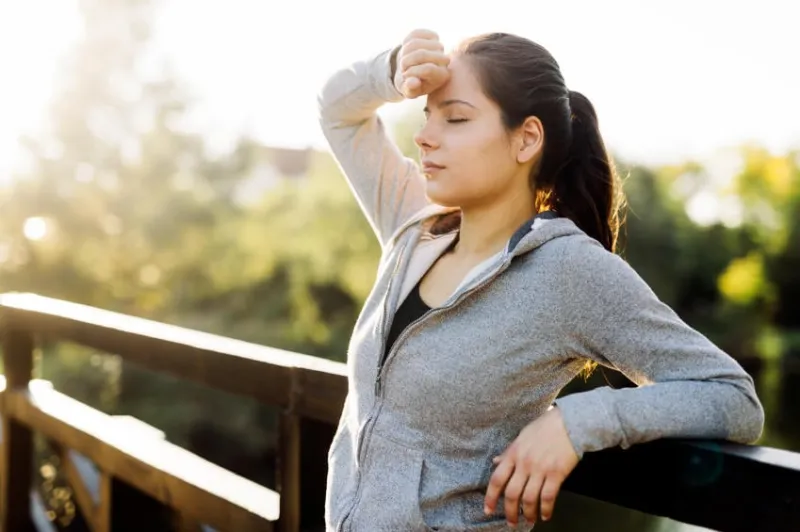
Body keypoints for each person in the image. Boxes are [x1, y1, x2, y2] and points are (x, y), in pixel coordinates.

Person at [316, 28, 765, 531]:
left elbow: (732, 398)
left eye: (456, 118)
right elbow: (337, 111)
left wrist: (578, 422)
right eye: (428, 116)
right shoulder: (415, 227)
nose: (424, 136)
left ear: (526, 138)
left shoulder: (569, 271)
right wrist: (393, 68)